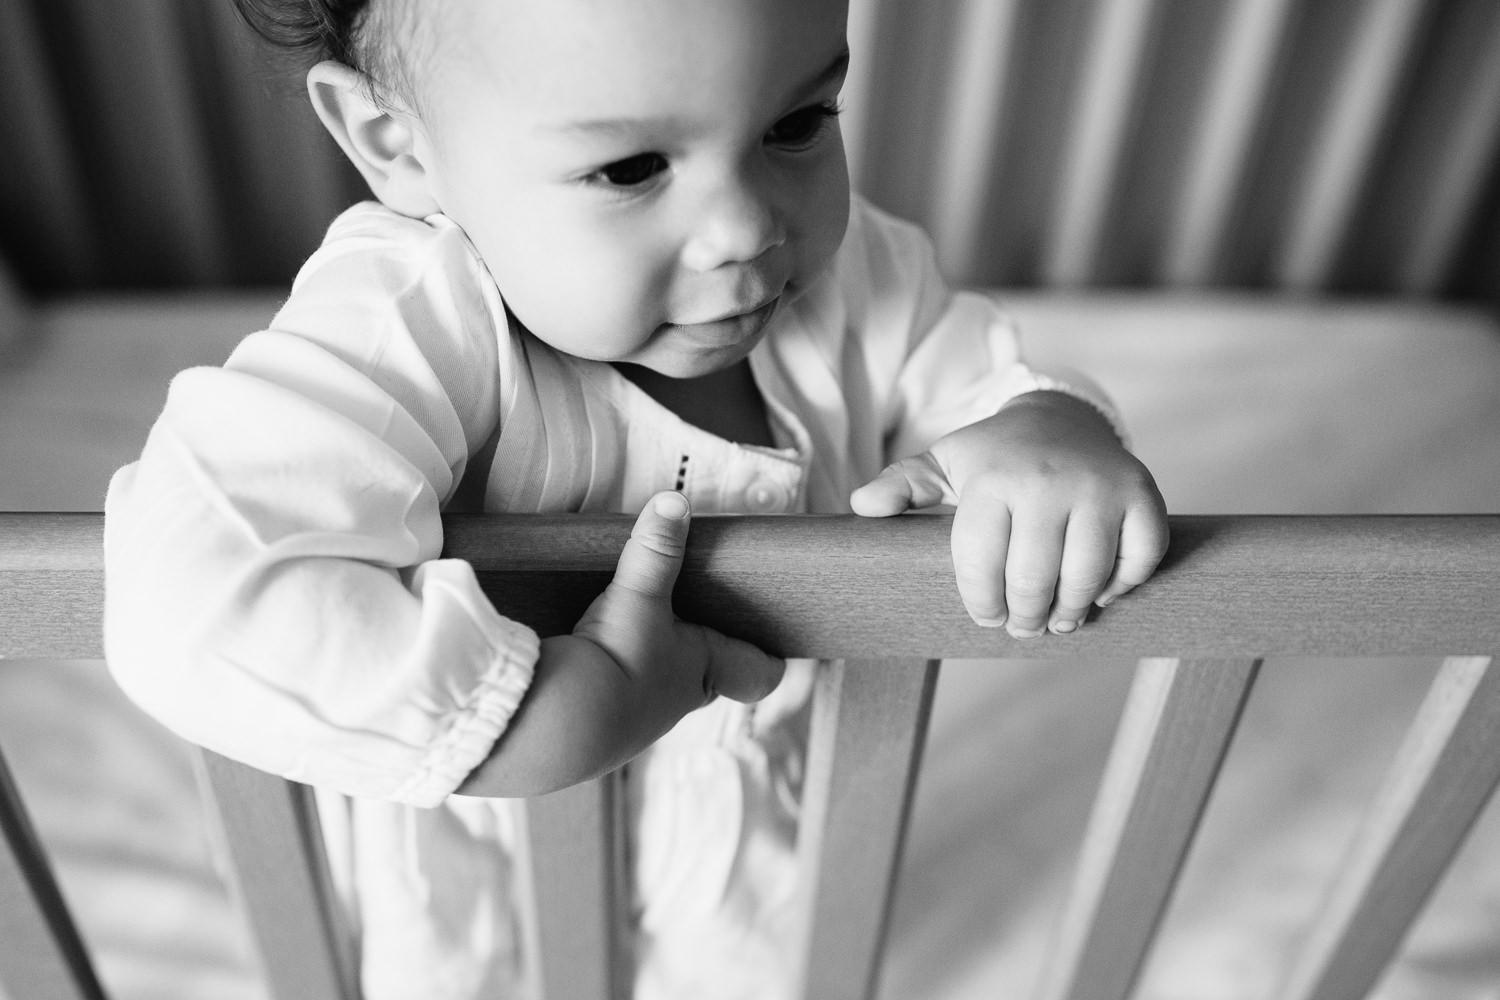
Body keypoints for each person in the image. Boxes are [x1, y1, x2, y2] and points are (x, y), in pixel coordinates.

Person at [103, 0, 1169, 996]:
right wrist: (534, 717)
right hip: (473, 876)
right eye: (628, 167)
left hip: (756, 848)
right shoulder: (414, 312)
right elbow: (196, 578)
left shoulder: (864, 280)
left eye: (797, 123)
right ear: (397, 143)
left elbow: (985, 388)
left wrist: (1046, 424)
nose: (748, 227)